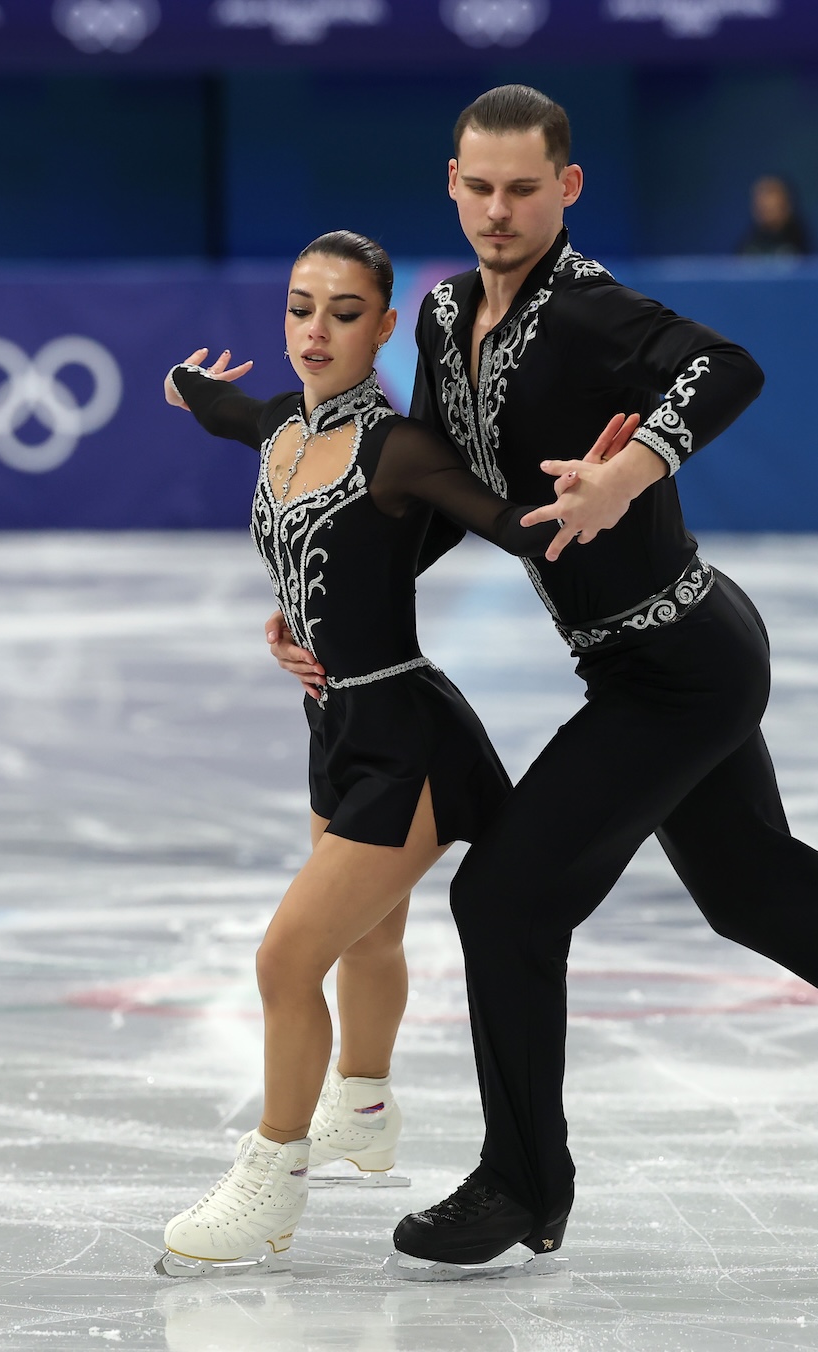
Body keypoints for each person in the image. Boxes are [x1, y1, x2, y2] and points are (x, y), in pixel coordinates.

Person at [265, 86, 818, 1279]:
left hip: (677, 666)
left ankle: (525, 1181)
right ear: (452, 184)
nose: (500, 210)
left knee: (507, 899)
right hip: (660, 659)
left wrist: (631, 472)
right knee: (760, 892)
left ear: (567, 188)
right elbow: (457, 495)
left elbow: (729, 367)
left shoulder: (589, 310)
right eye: (479, 186)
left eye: (526, 189)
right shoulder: (445, 312)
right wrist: (331, 600)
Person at [152, 229, 640, 1276]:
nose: (315, 330)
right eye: (298, 307)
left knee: (287, 957)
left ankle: (269, 1178)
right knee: (369, 940)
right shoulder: (281, 424)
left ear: (383, 328)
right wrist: (184, 382)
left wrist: (598, 484)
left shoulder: (398, 450)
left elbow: (511, 526)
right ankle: (363, 1108)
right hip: (335, 725)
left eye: (341, 312)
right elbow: (217, 404)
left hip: (405, 741)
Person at [736, 174, 815, 257]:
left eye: (769, 192)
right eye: (759, 194)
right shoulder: (746, 247)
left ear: (787, 203)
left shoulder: (803, 248)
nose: (762, 201)